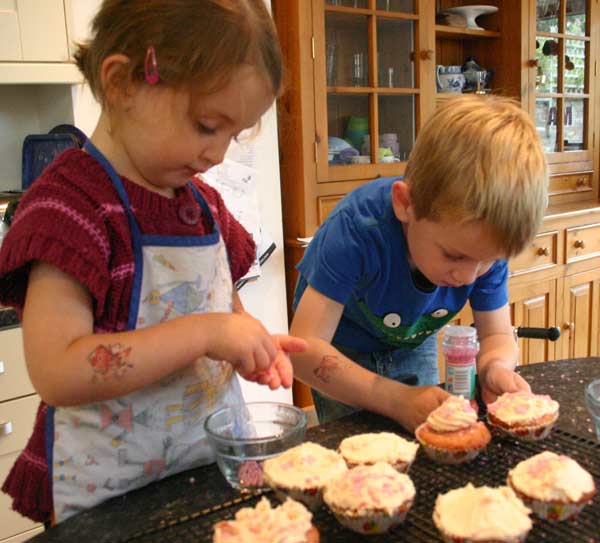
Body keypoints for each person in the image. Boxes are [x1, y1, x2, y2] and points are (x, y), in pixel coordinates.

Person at [0, 0, 305, 524]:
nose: (219, 154)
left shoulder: (203, 204)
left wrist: (245, 337)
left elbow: (219, 297)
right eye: (208, 124)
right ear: (121, 83)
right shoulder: (70, 208)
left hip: (205, 469)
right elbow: (57, 372)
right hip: (107, 496)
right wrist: (207, 333)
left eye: (235, 134)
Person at [290, 95, 548, 433]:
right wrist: (395, 398)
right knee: (358, 451)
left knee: (425, 433)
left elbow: (497, 333)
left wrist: (496, 367)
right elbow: (304, 350)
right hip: (340, 353)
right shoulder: (356, 230)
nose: (467, 276)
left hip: (413, 339)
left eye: (488, 262)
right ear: (404, 204)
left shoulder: (483, 243)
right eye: (454, 256)